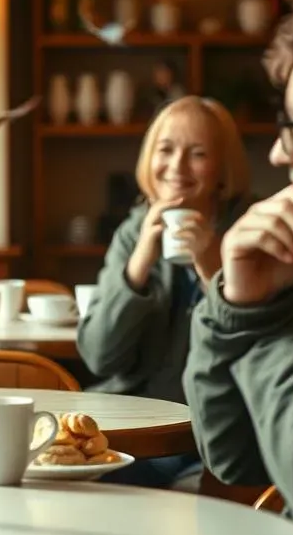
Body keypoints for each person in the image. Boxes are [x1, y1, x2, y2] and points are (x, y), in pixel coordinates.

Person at [0, 0, 293, 535]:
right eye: (166, 150)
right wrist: (160, 270)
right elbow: (233, 449)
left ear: (220, 169)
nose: (282, 151)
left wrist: (235, 289)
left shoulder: (266, 239)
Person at [77, 95, 251, 488]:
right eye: (166, 150)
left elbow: (259, 352)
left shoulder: (249, 235)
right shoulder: (133, 233)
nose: (177, 167)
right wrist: (139, 260)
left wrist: (210, 265)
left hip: (211, 443)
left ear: (222, 169)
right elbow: (100, 356)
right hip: (127, 434)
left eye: (198, 153)